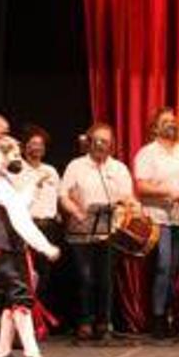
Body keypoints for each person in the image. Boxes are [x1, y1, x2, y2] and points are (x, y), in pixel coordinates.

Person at [0, 134, 62, 357]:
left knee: (12, 299)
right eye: (14, 154)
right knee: (20, 297)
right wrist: (45, 246)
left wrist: (34, 184)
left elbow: (19, 205)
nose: (18, 159)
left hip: (9, 246)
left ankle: (2, 354)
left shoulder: (1, 180)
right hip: (3, 247)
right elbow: (19, 218)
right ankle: (32, 354)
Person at [60, 123, 136, 343]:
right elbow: (63, 195)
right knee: (85, 278)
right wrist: (76, 211)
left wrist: (131, 205)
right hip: (80, 232)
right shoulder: (76, 166)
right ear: (90, 141)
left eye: (106, 141)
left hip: (108, 231)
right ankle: (85, 322)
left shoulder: (118, 168)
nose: (101, 145)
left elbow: (127, 197)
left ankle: (104, 323)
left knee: (106, 279)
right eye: (98, 140)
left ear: (112, 145)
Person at [133, 108, 179, 337]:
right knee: (162, 266)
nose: (171, 124)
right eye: (166, 121)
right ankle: (158, 317)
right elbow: (141, 187)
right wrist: (168, 192)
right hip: (158, 218)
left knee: (175, 268)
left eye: (174, 121)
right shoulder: (147, 153)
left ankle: (170, 313)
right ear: (155, 127)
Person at [11, 125, 61, 281]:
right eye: (33, 144)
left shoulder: (51, 170)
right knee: (27, 271)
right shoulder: (18, 170)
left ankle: (41, 305)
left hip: (49, 226)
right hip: (28, 225)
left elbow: (58, 197)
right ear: (24, 147)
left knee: (46, 273)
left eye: (41, 144)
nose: (38, 148)